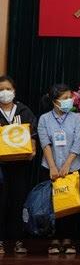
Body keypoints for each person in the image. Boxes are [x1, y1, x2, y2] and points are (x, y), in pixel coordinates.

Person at [37, 83, 80, 255]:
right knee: (53, 203)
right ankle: (54, 239)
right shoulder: (44, 119)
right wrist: (53, 167)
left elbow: (78, 142)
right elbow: (45, 143)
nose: (69, 101)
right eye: (65, 98)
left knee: (71, 204)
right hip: (51, 168)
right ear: (54, 101)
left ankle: (68, 239)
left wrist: (67, 165)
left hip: (72, 167)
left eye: (70, 97)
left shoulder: (76, 118)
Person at [0, 76, 37, 255]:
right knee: (1, 202)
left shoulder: (23, 110)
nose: (4, 92)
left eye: (8, 89)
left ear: (14, 91)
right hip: (1, 167)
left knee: (18, 203)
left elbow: (33, 134)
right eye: (1, 89)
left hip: (20, 165)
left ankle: (18, 240)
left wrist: (33, 149)